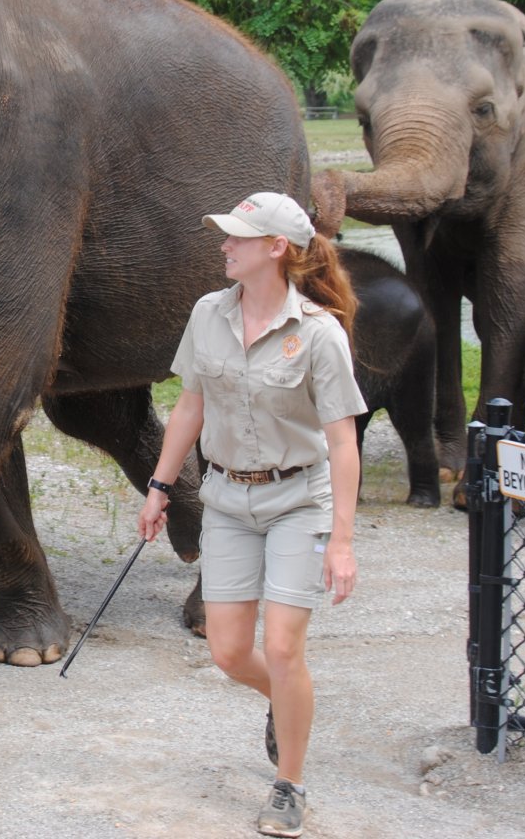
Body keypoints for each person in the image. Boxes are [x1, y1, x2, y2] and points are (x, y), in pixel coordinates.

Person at [136, 192, 364, 839]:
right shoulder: (208, 313)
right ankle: (285, 703)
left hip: (297, 499)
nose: (223, 245)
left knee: (283, 647)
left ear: (276, 249)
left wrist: (340, 541)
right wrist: (157, 486)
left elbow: (343, 442)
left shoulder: (317, 333)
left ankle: (288, 784)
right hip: (227, 501)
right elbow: (189, 406)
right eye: (224, 235)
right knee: (230, 653)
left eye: (238, 237)